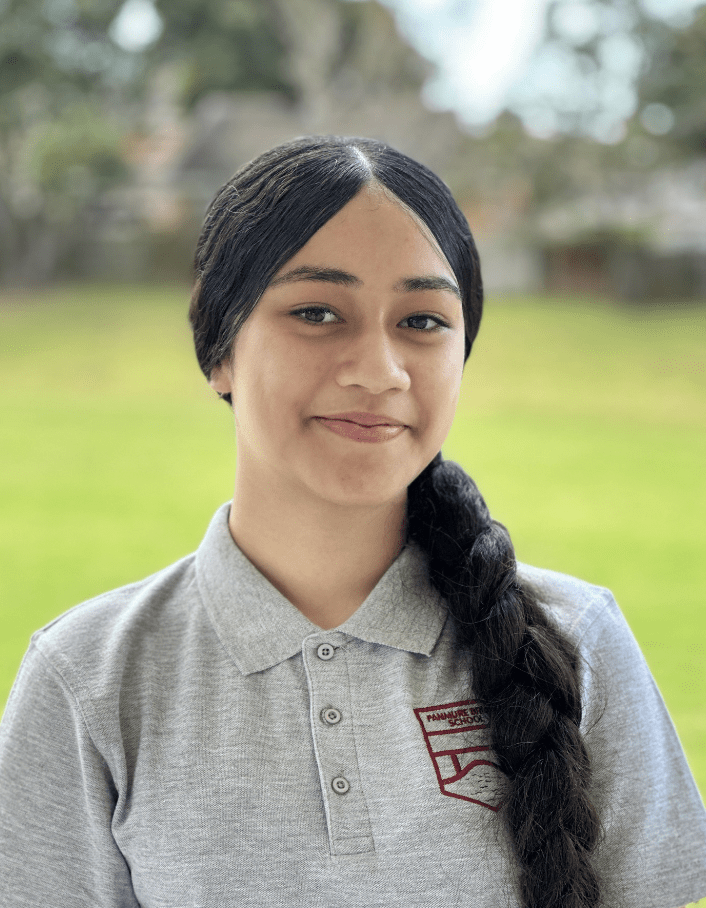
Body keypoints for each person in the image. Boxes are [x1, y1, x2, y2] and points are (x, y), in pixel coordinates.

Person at [1, 135, 705, 908]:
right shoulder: (90, 680)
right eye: (317, 312)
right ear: (218, 345)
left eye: (423, 321)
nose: (379, 370)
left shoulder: (580, 640)